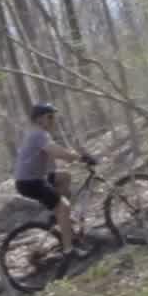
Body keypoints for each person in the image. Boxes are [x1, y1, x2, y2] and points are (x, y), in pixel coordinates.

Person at [13, 102, 95, 252]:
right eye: (50, 117)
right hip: (30, 182)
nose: (53, 120)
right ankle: (69, 249)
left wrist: (77, 155)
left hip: (36, 178)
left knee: (64, 177)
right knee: (64, 207)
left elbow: (57, 152)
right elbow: (57, 152)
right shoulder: (38, 134)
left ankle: (58, 217)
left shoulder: (40, 134)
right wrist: (80, 158)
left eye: (54, 117)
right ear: (39, 120)